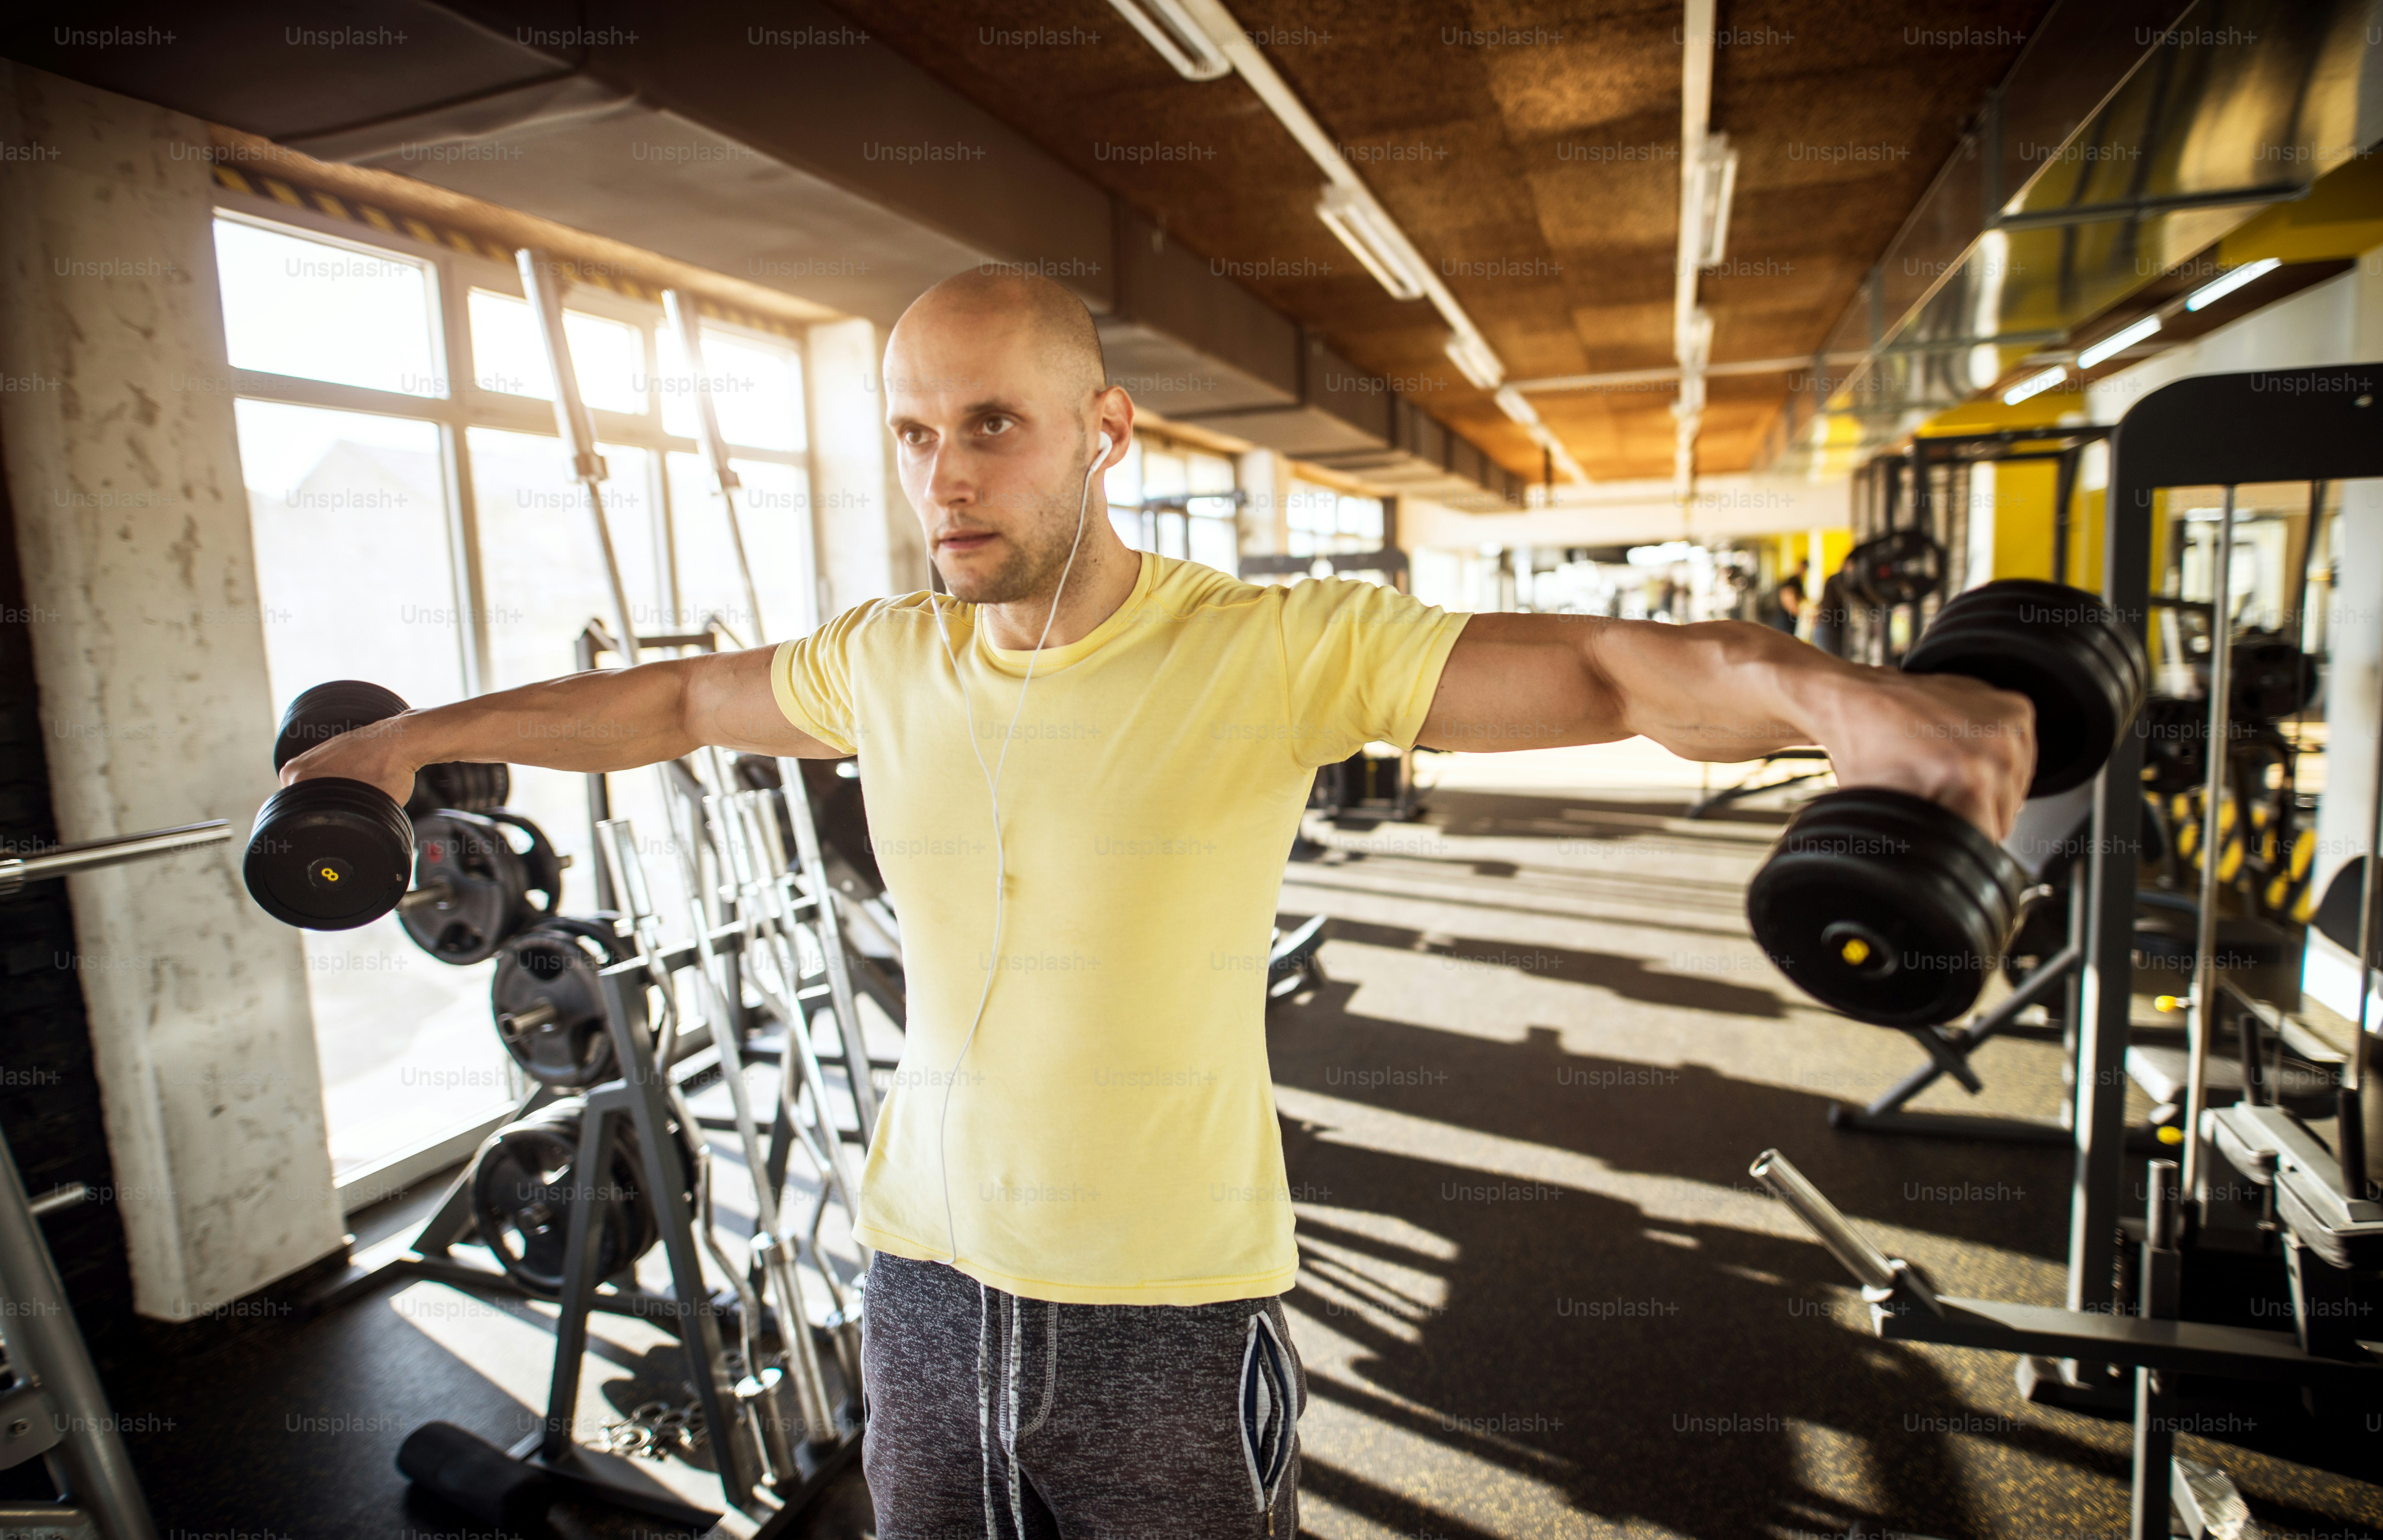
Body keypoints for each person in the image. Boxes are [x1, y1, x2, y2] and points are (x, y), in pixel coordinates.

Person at [284, 271, 2033, 1537]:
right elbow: (662, 706)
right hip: (918, 1279)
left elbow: (1596, 667)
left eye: (992, 424)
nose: (946, 474)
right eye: (912, 432)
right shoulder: (882, 663)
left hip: (1169, 1305)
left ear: (1104, 433)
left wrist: (1826, 697)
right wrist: (406, 747)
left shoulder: (1269, 646)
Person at [1772, 563, 1806, 634]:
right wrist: (1797, 612)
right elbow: (1787, 596)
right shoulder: (1794, 580)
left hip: (1787, 615)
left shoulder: (1798, 581)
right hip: (1786, 615)